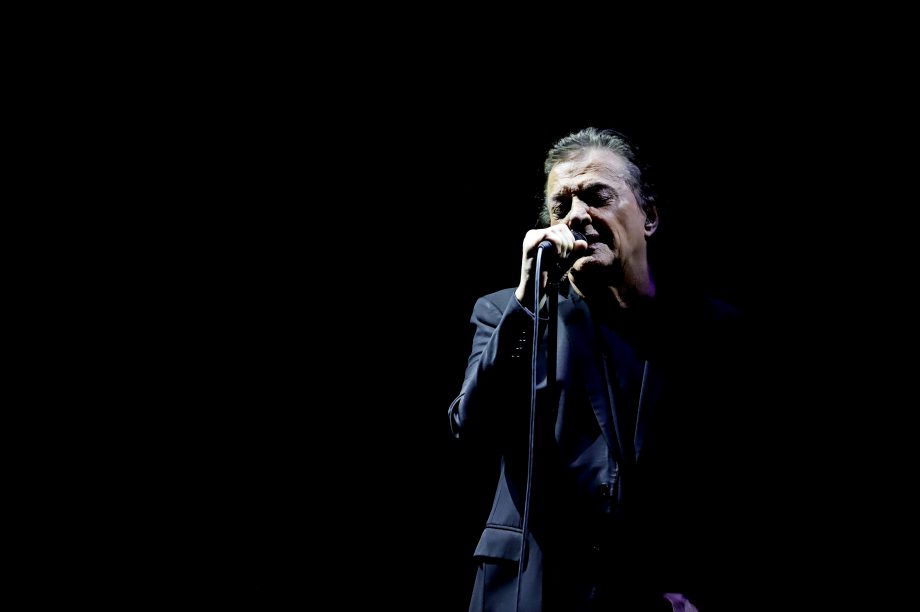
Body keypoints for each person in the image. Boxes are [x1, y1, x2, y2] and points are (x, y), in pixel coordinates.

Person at [448, 128, 763, 611]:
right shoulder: (508, 314)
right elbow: (472, 430)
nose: (576, 215)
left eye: (597, 196)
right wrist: (527, 305)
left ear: (649, 217)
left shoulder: (713, 329)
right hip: (531, 592)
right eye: (561, 205)